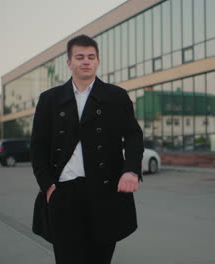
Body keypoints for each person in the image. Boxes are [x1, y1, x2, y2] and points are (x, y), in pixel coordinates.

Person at [30, 34, 144, 264]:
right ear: (69, 62)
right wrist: (49, 187)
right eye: (79, 56)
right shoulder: (49, 99)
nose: (86, 61)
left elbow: (133, 136)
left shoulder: (116, 97)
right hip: (64, 195)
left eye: (91, 56)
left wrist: (131, 170)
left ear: (98, 61)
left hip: (104, 194)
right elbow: (38, 147)